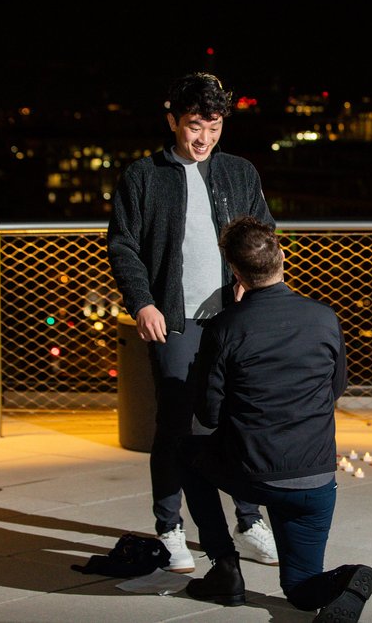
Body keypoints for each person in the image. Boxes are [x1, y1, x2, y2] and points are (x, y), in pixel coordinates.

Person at [107, 73, 278, 572]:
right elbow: (122, 245)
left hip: (233, 317)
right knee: (177, 424)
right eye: (193, 126)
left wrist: (251, 282)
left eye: (214, 126)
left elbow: (262, 232)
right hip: (174, 322)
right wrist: (142, 302)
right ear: (172, 122)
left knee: (237, 419)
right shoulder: (143, 176)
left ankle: (248, 523)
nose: (203, 138)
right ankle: (170, 527)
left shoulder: (240, 172)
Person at [179, 216, 372, 621]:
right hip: (315, 480)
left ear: (235, 272)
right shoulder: (324, 317)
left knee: (185, 455)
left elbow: (208, 412)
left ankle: (225, 567)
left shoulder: (226, 327)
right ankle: (355, 577)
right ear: (282, 257)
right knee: (302, 591)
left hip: (253, 475)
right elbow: (336, 387)